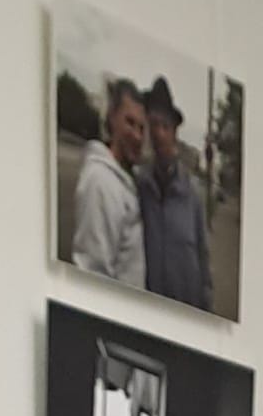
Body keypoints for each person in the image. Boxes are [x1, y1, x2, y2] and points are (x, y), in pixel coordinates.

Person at [138, 77, 211, 310]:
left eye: (165, 126)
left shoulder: (192, 195)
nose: (158, 134)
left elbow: (203, 257)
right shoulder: (139, 187)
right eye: (153, 125)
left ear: (174, 132)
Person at [71, 78, 146, 288]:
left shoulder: (126, 179)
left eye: (142, 128)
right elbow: (93, 273)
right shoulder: (100, 182)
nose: (138, 136)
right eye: (129, 123)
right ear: (112, 119)